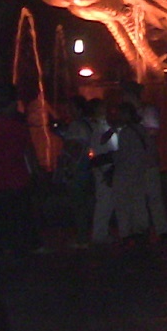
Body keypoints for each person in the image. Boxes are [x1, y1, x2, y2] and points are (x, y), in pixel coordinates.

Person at [0, 83, 46, 255]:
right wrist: (36, 170)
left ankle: (4, 244)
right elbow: (28, 150)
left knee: (4, 212)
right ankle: (28, 243)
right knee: (22, 211)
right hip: (17, 175)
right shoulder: (17, 126)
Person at [122, 80, 167, 242]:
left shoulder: (146, 111)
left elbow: (153, 132)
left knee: (151, 196)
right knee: (140, 197)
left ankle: (159, 229)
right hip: (137, 162)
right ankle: (145, 228)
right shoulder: (129, 115)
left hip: (146, 161)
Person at [105, 101, 149, 245]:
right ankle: (140, 229)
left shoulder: (126, 132)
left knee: (123, 204)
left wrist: (110, 158)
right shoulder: (141, 130)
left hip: (125, 172)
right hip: (138, 172)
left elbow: (123, 154)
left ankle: (126, 232)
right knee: (138, 202)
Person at [56, 95, 94, 249]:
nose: (67, 110)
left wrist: (68, 167)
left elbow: (75, 148)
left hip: (77, 168)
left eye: (70, 107)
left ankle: (82, 238)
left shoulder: (77, 126)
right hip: (84, 167)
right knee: (82, 203)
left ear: (78, 109)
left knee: (78, 203)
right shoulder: (86, 124)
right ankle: (83, 235)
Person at [87, 98, 117, 245]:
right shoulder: (98, 127)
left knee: (107, 202)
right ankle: (99, 234)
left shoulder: (103, 125)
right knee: (104, 201)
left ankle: (102, 232)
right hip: (103, 166)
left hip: (107, 165)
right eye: (102, 107)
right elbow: (101, 143)